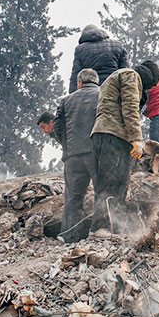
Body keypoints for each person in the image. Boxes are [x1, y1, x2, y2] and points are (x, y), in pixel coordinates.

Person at [89, 61, 159, 230]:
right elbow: (130, 106)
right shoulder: (131, 75)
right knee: (115, 182)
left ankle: (111, 225)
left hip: (102, 134)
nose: (148, 89)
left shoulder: (116, 77)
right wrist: (136, 138)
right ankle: (103, 227)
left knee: (106, 182)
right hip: (115, 135)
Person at [54, 68, 101, 243]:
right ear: (96, 82)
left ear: (79, 82)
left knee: (73, 198)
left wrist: (67, 146)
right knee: (101, 193)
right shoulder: (102, 94)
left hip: (72, 155)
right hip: (96, 153)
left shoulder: (66, 100)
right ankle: (98, 232)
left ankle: (68, 236)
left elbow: (57, 128)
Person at [69, 24, 129, 91]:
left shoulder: (80, 49)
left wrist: (72, 95)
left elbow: (75, 75)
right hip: (113, 87)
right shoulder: (118, 45)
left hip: (91, 91)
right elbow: (125, 71)